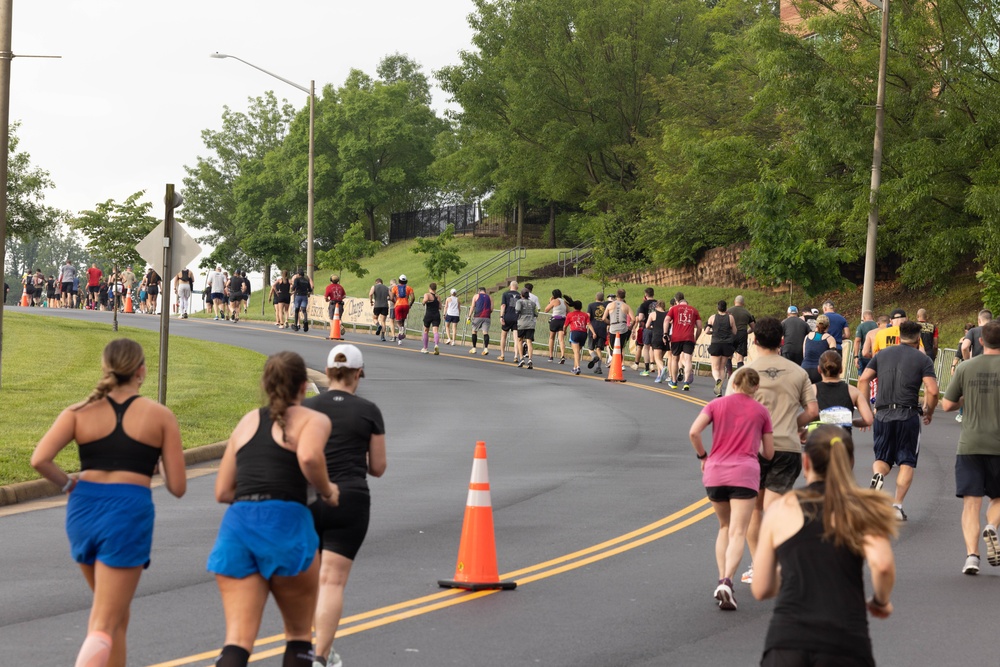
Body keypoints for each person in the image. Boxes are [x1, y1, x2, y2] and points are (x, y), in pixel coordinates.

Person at [30, 339, 186, 667]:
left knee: (116, 616)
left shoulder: (78, 412)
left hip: (83, 509)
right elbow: (178, 487)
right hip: (127, 513)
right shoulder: (160, 416)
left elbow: (40, 459)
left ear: (105, 369)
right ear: (141, 371)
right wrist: (156, 465)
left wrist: (70, 484)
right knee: (104, 622)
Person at [207, 351, 339, 667]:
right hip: (287, 523)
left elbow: (223, 490)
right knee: (298, 637)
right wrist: (328, 490)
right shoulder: (314, 419)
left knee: (237, 641)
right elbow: (308, 457)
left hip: (239, 525)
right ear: (305, 386)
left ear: (266, 384)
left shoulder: (247, 421)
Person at [752, 425, 897, 667]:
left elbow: (761, 588)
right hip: (844, 642)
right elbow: (882, 565)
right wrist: (880, 601)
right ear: (849, 461)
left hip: (787, 642)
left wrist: (789, 571)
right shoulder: (861, 508)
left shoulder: (782, 508)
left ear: (806, 462)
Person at [304, 344, 387, 667]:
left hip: (309, 497)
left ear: (326, 373)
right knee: (332, 581)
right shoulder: (368, 411)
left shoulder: (307, 407)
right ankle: (321, 655)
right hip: (350, 497)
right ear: (359, 373)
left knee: (310, 580)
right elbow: (378, 467)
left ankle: (311, 645)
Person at [731, 317, 818, 586]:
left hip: (752, 448)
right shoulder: (798, 372)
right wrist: (795, 424)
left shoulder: (743, 373)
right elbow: (813, 411)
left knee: (754, 510)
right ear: (782, 341)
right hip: (787, 447)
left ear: (754, 341)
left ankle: (760, 565)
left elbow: (732, 411)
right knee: (775, 508)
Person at [689, 368, 774, 611]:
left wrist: (703, 456)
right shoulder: (761, 411)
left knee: (724, 527)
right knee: (739, 531)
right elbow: (768, 453)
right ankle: (727, 581)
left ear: (734, 383)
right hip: (745, 474)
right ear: (756, 388)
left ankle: (720, 579)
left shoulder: (717, 405)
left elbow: (694, 432)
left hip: (715, 472)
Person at [858, 320, 939, 521]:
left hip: (883, 414)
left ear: (899, 334)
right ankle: (896, 505)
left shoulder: (882, 355)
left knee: (882, 459)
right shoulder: (923, 359)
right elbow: (933, 390)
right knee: (906, 461)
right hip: (907, 415)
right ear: (918, 338)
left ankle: (878, 476)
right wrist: (929, 410)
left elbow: (863, 379)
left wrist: (866, 408)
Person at [942, 320, 1000, 574]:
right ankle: (993, 527)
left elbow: (947, 405)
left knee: (971, 503)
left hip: (970, 444)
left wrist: (967, 397)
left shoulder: (965, 367)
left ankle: (972, 557)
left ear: (980, 340)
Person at [813, 350, 873, 433]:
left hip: (821, 439)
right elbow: (868, 419)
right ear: (841, 369)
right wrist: (850, 422)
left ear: (819, 369)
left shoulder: (812, 390)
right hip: (844, 440)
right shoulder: (853, 391)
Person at [665, 292, 701, 391]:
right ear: (687, 303)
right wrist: (696, 337)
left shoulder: (673, 309)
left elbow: (666, 320)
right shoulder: (694, 310)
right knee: (688, 360)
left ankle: (674, 381)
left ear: (679, 303)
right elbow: (699, 327)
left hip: (676, 337)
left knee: (675, 359)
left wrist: (665, 333)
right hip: (689, 337)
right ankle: (686, 382)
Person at [705, 300, 736, 397]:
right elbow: (735, 331)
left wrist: (712, 332)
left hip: (716, 343)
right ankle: (720, 387)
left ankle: (717, 380)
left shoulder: (712, 317)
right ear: (726, 308)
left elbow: (706, 331)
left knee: (715, 367)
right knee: (722, 367)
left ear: (717, 308)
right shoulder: (730, 318)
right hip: (727, 344)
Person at [801, 314, 836, 384]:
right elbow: (832, 358)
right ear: (828, 326)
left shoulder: (807, 336)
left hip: (804, 369)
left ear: (816, 325)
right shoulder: (830, 338)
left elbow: (804, 355)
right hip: (819, 370)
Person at [603, 289, 633, 366]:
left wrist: (609, 323)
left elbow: (603, 318)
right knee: (621, 347)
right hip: (623, 328)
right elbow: (634, 319)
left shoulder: (610, 305)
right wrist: (630, 327)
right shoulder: (626, 306)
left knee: (612, 347)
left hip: (613, 327)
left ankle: (613, 361)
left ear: (616, 295)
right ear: (624, 296)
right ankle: (619, 363)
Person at [950, 323, 974, 423]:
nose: (967, 334)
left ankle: (966, 413)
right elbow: (958, 354)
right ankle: (962, 413)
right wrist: (953, 366)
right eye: (966, 332)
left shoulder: (974, 339)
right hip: (967, 367)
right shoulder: (963, 340)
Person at [727, 295, 755, 371]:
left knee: (729, 356)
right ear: (743, 303)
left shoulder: (728, 311)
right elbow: (753, 327)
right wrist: (747, 332)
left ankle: (730, 375)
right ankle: (739, 377)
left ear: (734, 302)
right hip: (742, 335)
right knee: (740, 358)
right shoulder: (747, 313)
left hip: (730, 334)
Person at [633, 287, 656, 375]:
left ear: (646, 295)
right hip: (656, 328)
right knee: (653, 348)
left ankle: (646, 368)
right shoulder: (658, 304)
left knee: (646, 347)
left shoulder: (643, 305)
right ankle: (653, 365)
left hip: (647, 327)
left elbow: (641, 317)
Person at [586, 292, 609, 375]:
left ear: (596, 297)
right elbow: (607, 318)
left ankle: (594, 357)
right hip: (602, 328)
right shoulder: (606, 306)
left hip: (593, 328)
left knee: (591, 348)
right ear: (603, 299)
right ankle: (598, 367)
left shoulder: (591, 305)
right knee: (599, 349)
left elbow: (588, 316)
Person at [645, 300, 669, 383]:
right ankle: (659, 376)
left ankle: (663, 369)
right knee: (660, 358)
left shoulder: (653, 314)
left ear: (656, 306)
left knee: (657, 358)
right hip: (666, 337)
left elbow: (647, 325)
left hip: (657, 336)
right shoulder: (668, 314)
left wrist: (652, 327)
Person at [565, 300, 590, 375]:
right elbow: (588, 324)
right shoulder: (585, 315)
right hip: (583, 333)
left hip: (575, 332)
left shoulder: (570, 314)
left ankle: (578, 367)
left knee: (576, 352)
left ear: (574, 307)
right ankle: (574, 367)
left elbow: (565, 325)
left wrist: (564, 331)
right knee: (578, 352)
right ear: (581, 307)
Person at [497, 280, 520, 362]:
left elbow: (503, 305)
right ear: (517, 287)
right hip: (516, 317)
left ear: (510, 286)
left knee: (503, 336)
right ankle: (516, 355)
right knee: (516, 338)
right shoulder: (519, 295)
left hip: (507, 316)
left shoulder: (505, 294)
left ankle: (502, 354)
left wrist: (501, 316)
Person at [544, 289, 568, 364]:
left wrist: (550, 301)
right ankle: (562, 355)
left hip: (555, 320)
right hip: (563, 320)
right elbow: (568, 311)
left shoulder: (554, 301)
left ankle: (551, 356)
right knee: (561, 339)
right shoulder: (564, 302)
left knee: (551, 337)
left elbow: (546, 310)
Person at [515, 288, 538, 369]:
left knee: (520, 340)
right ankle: (530, 359)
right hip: (531, 324)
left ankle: (521, 358)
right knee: (529, 342)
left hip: (521, 323)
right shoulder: (532, 303)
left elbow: (517, 310)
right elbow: (536, 314)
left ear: (521, 295)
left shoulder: (519, 301)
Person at [468, 285, 493, 356]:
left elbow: (472, 306)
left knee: (474, 331)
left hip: (478, 316)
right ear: (485, 291)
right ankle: (486, 348)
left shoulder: (476, 296)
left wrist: (469, 316)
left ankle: (474, 348)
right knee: (485, 332)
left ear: (479, 291)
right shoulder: (490, 297)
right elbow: (491, 309)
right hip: (487, 317)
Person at [392, 274, 415, 345]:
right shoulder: (409, 288)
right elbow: (413, 298)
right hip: (406, 305)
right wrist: (410, 304)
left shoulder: (395, 288)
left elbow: (392, 297)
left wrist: (395, 302)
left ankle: (401, 330)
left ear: (399, 280)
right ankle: (400, 339)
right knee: (403, 321)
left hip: (398, 305)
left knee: (397, 321)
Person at [854, 310, 878, 375]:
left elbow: (857, 341)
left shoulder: (861, 326)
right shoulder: (878, 325)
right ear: (872, 316)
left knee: (861, 377)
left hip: (864, 355)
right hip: (875, 355)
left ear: (864, 318)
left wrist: (856, 356)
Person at [421, 283, 442, 354]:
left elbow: (425, 300)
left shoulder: (427, 295)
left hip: (429, 314)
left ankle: (425, 348)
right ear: (435, 288)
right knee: (435, 331)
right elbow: (440, 307)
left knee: (426, 330)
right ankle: (436, 345)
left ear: (429, 288)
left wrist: (423, 302)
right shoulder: (438, 296)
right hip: (436, 314)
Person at [324, 275, 346, 340]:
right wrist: (340, 298)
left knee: (331, 319)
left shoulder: (329, 287)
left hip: (333, 304)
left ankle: (332, 333)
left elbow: (325, 297)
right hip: (340, 304)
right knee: (338, 318)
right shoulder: (340, 287)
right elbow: (344, 295)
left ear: (331, 280)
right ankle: (340, 324)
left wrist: (327, 300)